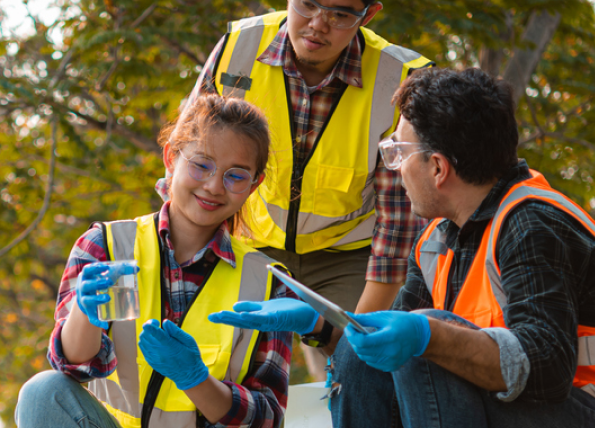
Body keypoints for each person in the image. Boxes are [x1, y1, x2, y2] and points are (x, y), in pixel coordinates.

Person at [213, 68, 595, 428]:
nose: (393, 168)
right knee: (369, 348)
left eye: (398, 153)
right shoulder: (436, 241)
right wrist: (323, 325)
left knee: (425, 332)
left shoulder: (531, 223)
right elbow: (383, 346)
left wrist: (426, 337)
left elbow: (545, 369)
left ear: (437, 168)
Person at [183, 0, 435, 379]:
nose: (318, 24)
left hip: (348, 256)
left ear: (367, 15)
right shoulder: (238, 46)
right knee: (214, 363)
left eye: (340, 14)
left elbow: (400, 224)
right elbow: (190, 163)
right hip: (250, 245)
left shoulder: (400, 77)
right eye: (308, 4)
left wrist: (354, 347)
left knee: (366, 370)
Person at [15, 94, 301, 428]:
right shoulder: (107, 247)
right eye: (201, 164)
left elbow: (266, 419)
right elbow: (74, 368)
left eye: (235, 176)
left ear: (254, 186)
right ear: (171, 157)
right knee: (43, 391)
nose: (213, 186)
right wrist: (84, 314)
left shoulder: (269, 285)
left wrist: (194, 378)